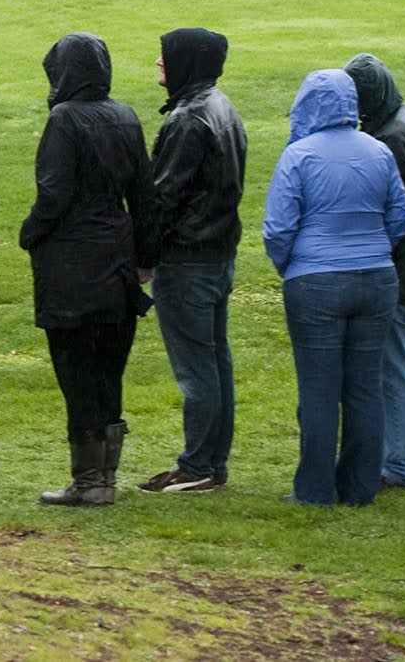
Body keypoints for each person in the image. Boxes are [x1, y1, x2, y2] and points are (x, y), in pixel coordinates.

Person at [19, 34, 155, 507]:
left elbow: (54, 193)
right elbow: (144, 194)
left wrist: (31, 233)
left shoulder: (65, 119)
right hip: (117, 259)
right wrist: (145, 255)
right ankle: (104, 478)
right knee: (108, 371)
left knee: (76, 370)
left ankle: (89, 479)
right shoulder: (126, 116)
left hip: (73, 262)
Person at [264, 69, 405, 507]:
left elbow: (278, 228)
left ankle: (314, 490)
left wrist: (293, 266)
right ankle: (360, 487)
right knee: (365, 387)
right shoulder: (379, 151)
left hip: (315, 280)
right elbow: (400, 218)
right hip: (377, 278)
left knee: (319, 389)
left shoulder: (299, 155)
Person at [139, 28, 247, 496]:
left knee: (198, 367)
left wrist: (143, 256)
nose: (159, 64)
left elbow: (162, 197)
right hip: (216, 254)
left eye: (166, 56)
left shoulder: (188, 119)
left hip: (186, 260)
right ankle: (209, 462)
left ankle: (199, 464)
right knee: (214, 361)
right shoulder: (221, 107)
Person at [344, 54, 405, 489]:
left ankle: (400, 463)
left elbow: (391, 214)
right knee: (390, 361)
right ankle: (393, 457)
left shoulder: (397, 137)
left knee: (392, 364)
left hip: (400, 269)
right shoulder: (397, 122)